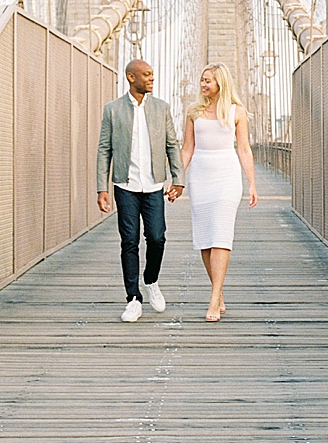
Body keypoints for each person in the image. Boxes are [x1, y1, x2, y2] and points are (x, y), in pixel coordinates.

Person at [96, 58, 184, 322]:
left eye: (152, 74)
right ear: (131, 77)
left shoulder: (162, 108)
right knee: (129, 241)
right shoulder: (112, 110)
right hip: (125, 184)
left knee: (157, 237)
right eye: (146, 75)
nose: (151, 79)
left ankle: (151, 280)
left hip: (155, 184)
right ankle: (133, 298)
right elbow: (104, 150)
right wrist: (102, 188)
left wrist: (177, 179)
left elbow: (172, 144)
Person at [181, 63, 258, 322]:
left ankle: (214, 299)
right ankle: (219, 289)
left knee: (221, 235)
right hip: (200, 177)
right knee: (205, 239)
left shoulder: (237, 112)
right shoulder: (193, 112)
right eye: (202, 80)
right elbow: (187, 149)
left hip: (226, 177)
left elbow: (244, 149)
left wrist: (252, 184)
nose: (203, 85)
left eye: (208, 81)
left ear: (220, 83)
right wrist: (176, 179)